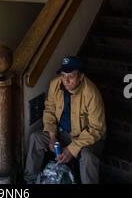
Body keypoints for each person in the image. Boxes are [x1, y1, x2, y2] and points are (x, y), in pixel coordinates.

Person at [24, 56, 106, 184]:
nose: (66, 80)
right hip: (62, 133)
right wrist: (52, 136)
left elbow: (97, 129)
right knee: (36, 138)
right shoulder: (55, 84)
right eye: (63, 75)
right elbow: (49, 110)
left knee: (88, 157)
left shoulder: (91, 93)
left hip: (86, 138)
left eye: (71, 76)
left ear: (81, 76)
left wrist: (71, 149)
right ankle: (29, 181)